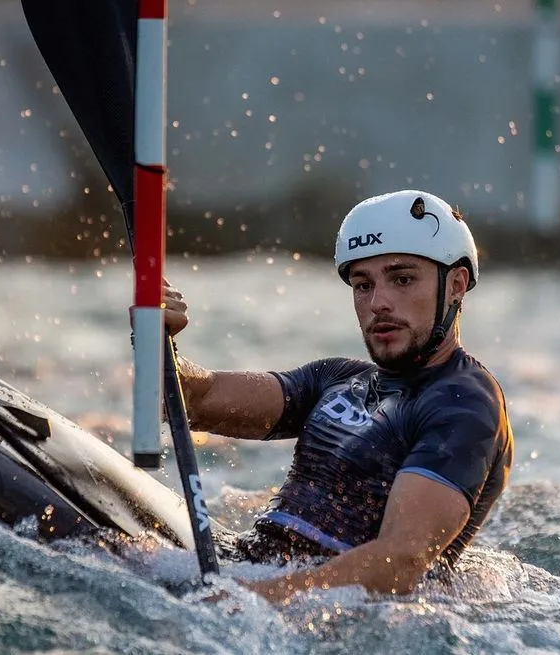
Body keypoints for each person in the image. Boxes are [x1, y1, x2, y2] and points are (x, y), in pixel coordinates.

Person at [161, 189, 513, 604]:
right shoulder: (338, 378)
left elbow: (400, 562)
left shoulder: (464, 404)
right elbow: (192, 403)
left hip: (327, 621)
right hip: (256, 576)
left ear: (455, 285)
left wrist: (254, 597)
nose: (378, 303)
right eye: (363, 285)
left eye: (402, 279)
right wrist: (159, 341)